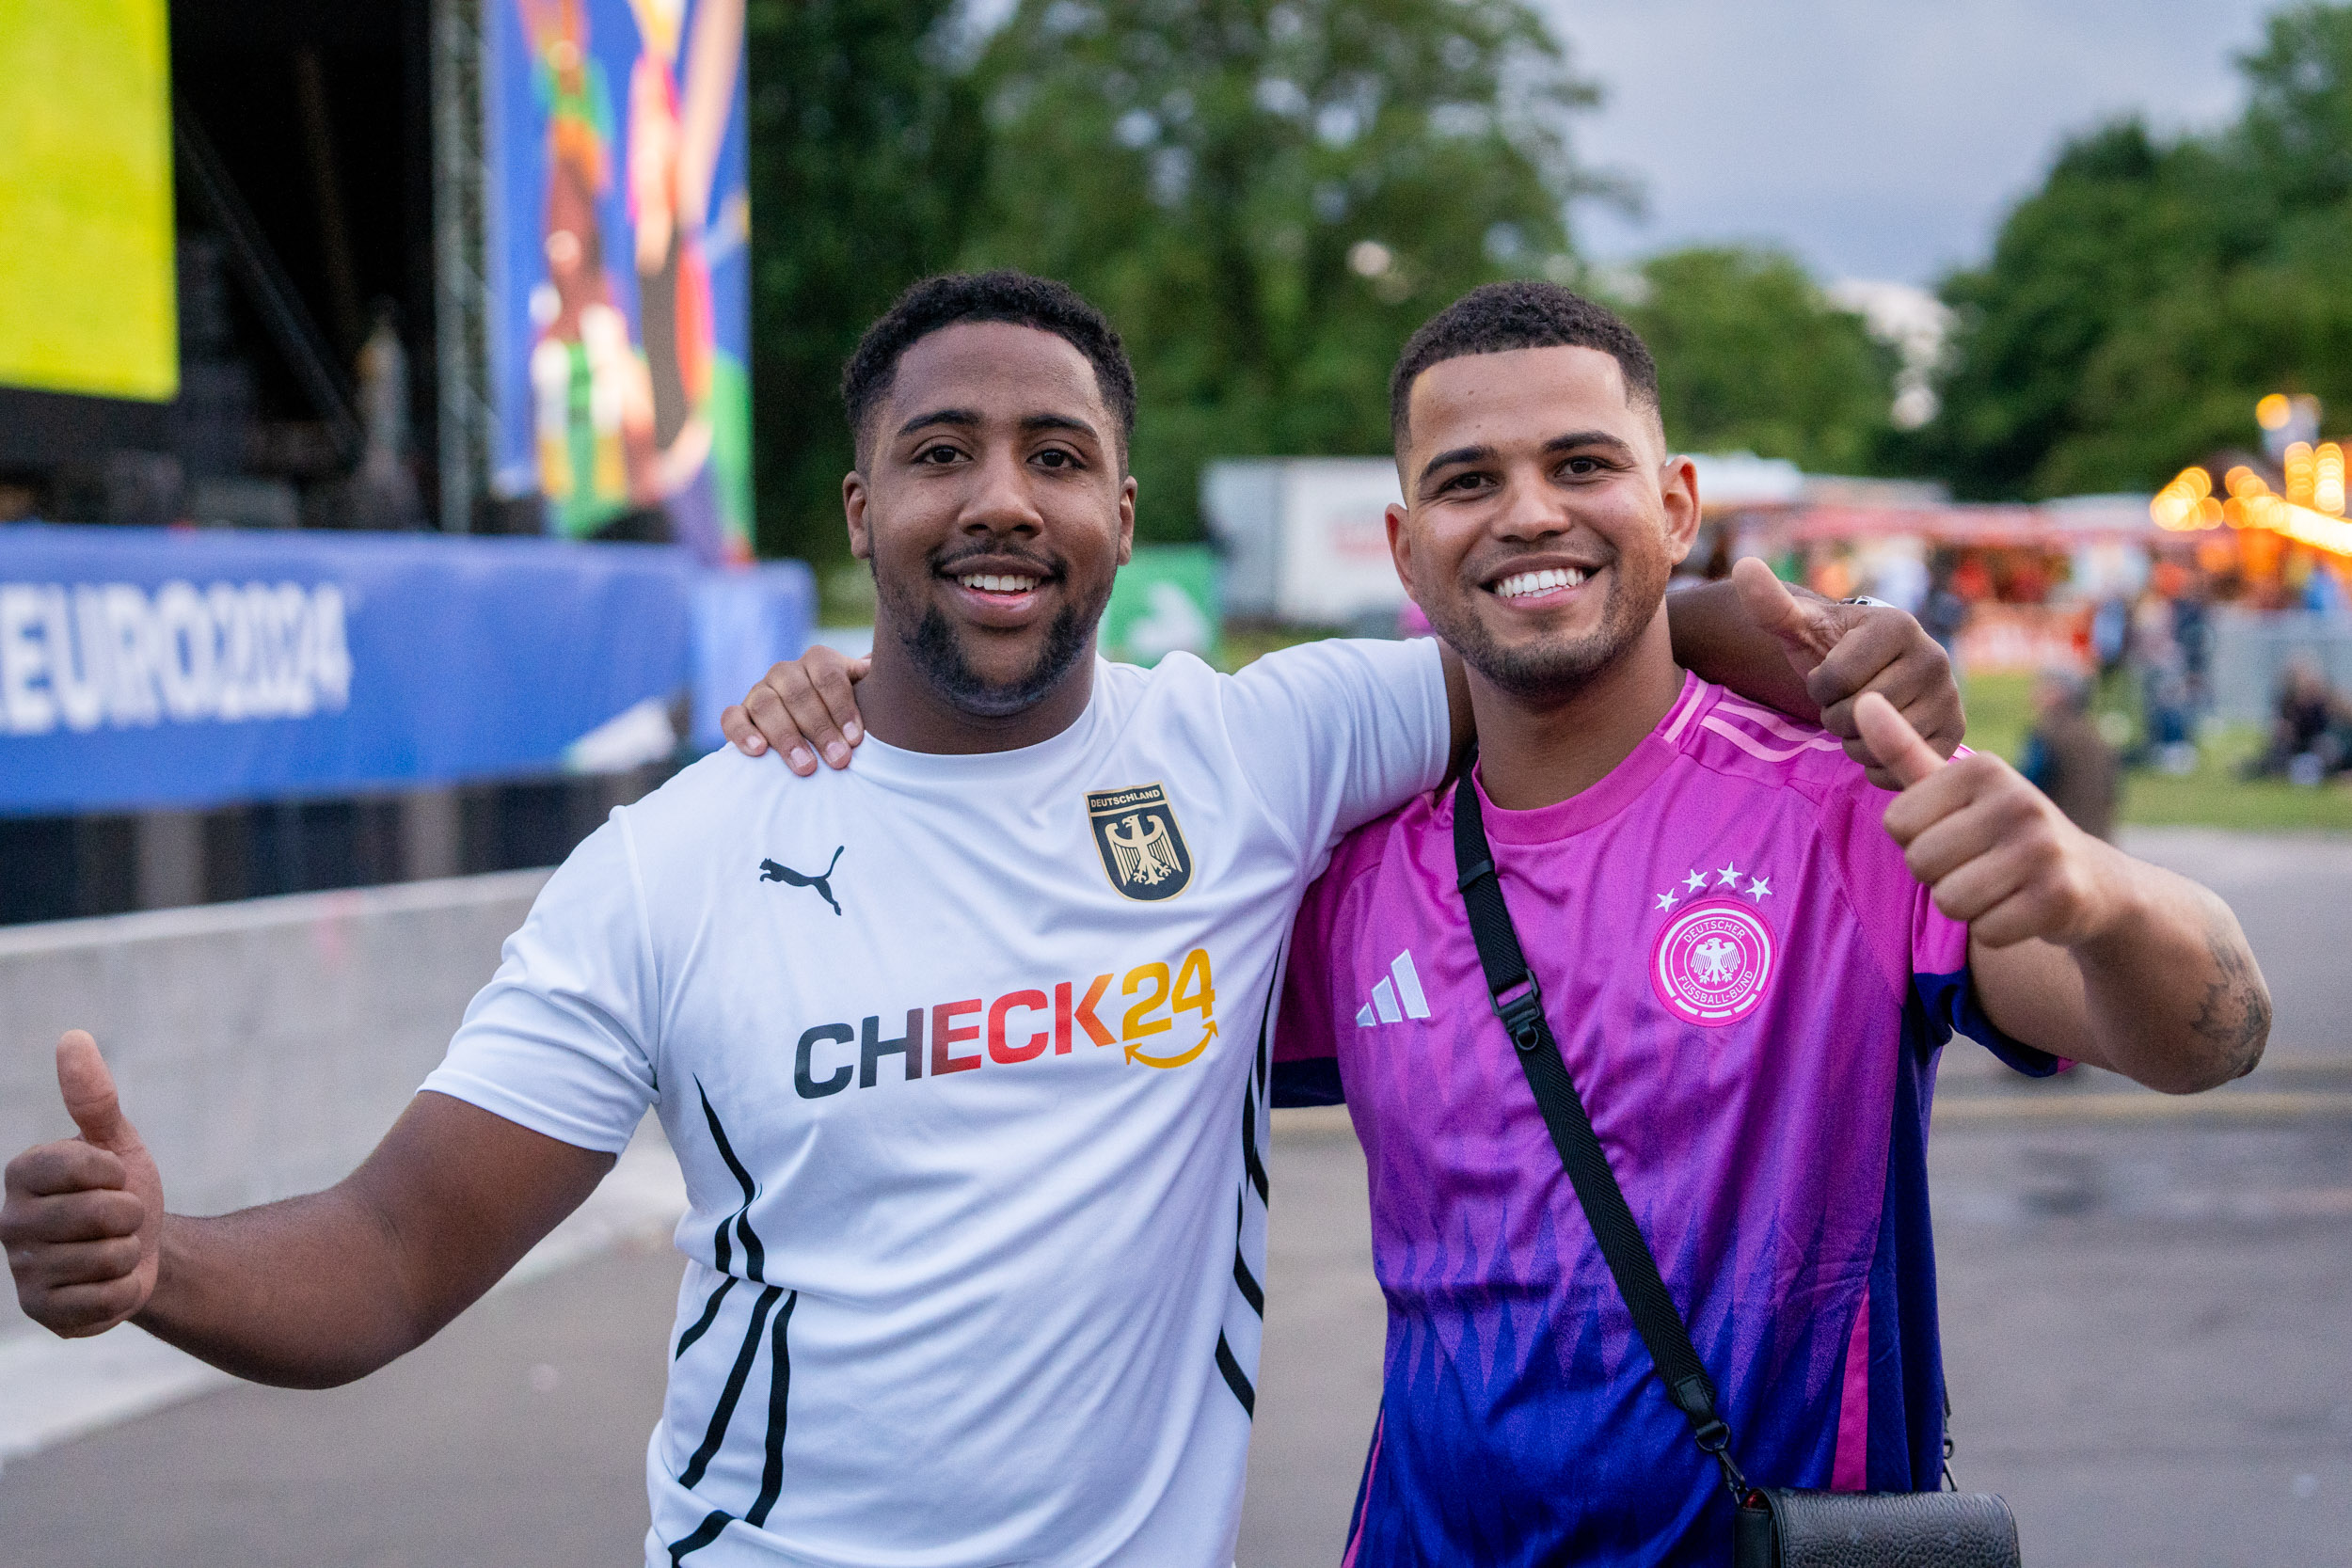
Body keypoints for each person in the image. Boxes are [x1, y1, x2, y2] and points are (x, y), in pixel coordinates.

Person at [2, 273, 1960, 1568]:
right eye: (941, 454)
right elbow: (390, 1249)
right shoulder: (676, 859)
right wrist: (159, 1262)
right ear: (861, 508)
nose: (1001, 499)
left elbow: (1562, 620)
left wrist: (1811, 644)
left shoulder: (1259, 745)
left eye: (1056, 457)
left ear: (1123, 512)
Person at [1263, 282, 2267, 1563]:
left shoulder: (1845, 810)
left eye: (1582, 464)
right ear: (1406, 549)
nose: (1529, 512)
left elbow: (2216, 1032)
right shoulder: (1353, 880)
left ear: (1676, 505)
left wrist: (2099, 893)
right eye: (1470, 480)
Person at [2020, 665, 2120, 839]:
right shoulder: (2097, 737)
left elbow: (2025, 788)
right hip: (2097, 839)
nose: (2034, 694)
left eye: (2043, 686)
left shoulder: (2048, 735)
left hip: (2055, 839)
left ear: (2059, 694)